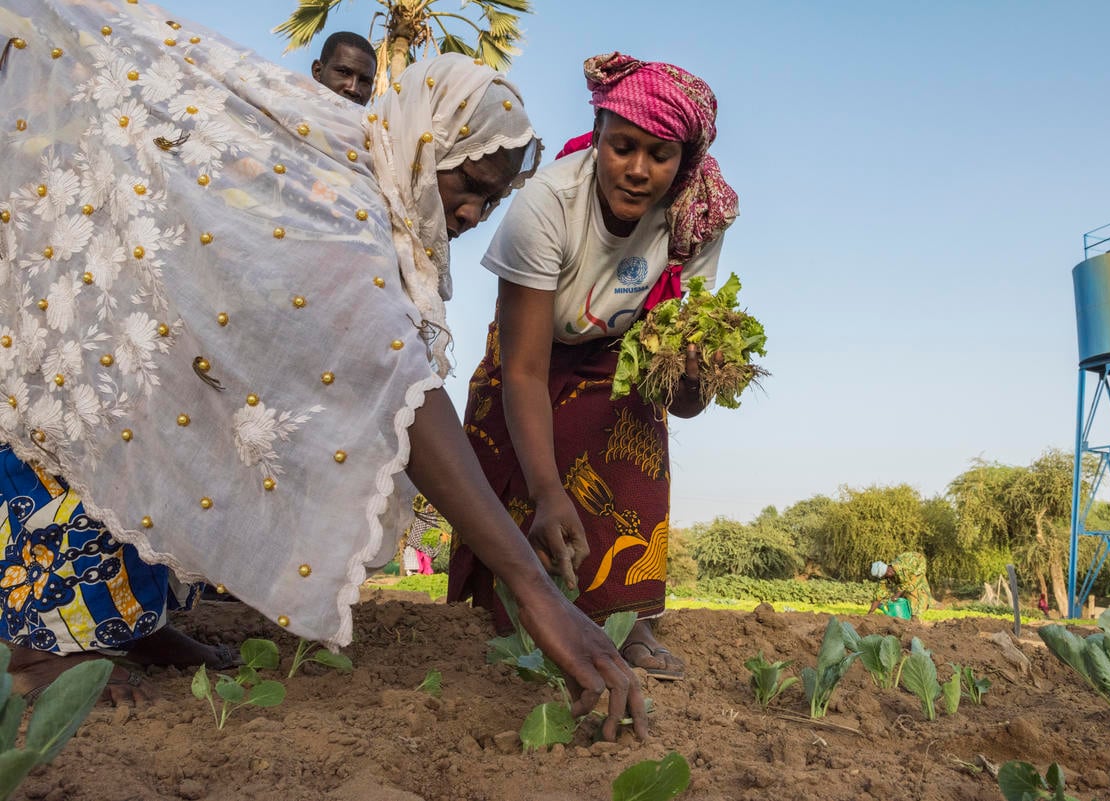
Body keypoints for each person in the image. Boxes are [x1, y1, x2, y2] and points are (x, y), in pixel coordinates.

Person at [0, 1, 645, 739]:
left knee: (226, 436)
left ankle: (130, 622)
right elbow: (400, 383)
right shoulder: (348, 191)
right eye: (466, 183)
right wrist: (533, 590)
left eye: (492, 199)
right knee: (104, 423)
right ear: (427, 144)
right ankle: (38, 654)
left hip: (186, 340)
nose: (472, 212)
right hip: (108, 308)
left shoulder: (385, 198)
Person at [448, 52, 739, 681]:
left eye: (659, 155)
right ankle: (521, 609)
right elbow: (524, 370)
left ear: (683, 162)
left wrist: (690, 384)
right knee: (525, 478)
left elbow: (682, 399)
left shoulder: (696, 219)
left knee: (633, 439)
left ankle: (629, 622)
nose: (637, 170)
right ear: (599, 137)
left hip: (617, 352)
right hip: (531, 348)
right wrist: (549, 491)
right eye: (622, 147)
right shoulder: (548, 203)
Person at [311, 31, 376, 106]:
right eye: (344, 72)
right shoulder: (295, 109)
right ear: (317, 71)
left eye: (365, 81)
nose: (353, 89)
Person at [867, 553, 933, 618]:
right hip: (907, 570)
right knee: (902, 592)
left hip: (918, 563)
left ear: (889, 568)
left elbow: (907, 584)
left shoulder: (903, 569)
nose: (888, 576)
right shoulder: (885, 577)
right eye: (885, 576)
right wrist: (870, 612)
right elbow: (879, 595)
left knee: (914, 590)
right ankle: (908, 614)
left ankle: (915, 617)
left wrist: (896, 595)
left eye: (888, 573)